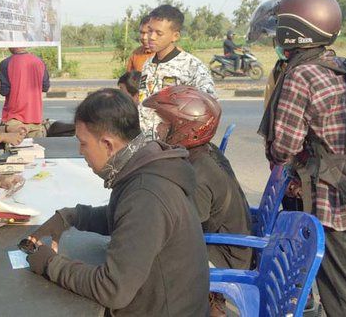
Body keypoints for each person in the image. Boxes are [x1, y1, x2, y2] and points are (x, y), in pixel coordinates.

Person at [24, 88, 209, 316]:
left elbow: (112, 288)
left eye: (83, 143)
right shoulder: (143, 163)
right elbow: (124, 218)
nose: (81, 152)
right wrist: (71, 216)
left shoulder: (146, 193)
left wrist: (50, 264)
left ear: (108, 144)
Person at [258, 0, 346, 317]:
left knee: (339, 290)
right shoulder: (339, 66)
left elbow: (285, 147)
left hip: (330, 202)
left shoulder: (301, 75)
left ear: (291, 32)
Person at [143, 85, 252, 316]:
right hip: (228, 245)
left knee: (152, 264)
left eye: (164, 123)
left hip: (224, 256)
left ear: (184, 128)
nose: (159, 128)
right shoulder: (200, 154)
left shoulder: (199, 172)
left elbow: (183, 228)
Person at [137, 4, 216, 136]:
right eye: (150, 30)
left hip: (174, 148)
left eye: (159, 33)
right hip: (146, 145)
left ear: (175, 36)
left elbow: (209, 109)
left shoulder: (191, 66)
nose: (151, 37)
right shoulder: (147, 65)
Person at [0, 47, 50, 137]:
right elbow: (45, 87)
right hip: (35, 119)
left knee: (14, 150)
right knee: (34, 150)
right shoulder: (39, 62)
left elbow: (4, 91)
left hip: (14, 120)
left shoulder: (6, 63)